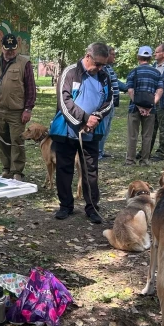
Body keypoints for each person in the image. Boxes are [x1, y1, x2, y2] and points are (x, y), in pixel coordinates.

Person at [52, 42, 113, 223]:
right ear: (88, 57)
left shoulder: (104, 76)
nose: (100, 68)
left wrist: (95, 118)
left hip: (91, 132)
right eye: (98, 64)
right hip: (67, 131)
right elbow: (65, 101)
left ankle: (92, 207)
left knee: (90, 170)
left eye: (104, 65)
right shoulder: (70, 72)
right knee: (64, 169)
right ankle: (65, 206)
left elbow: (109, 101)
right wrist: (83, 119)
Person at [0, 33, 36, 180]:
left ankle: (17, 171)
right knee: (2, 141)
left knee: (17, 141)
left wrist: (28, 109)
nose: (10, 52)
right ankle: (7, 169)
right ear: (2, 47)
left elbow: (31, 88)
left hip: (17, 111)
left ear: (16, 48)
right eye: (7, 49)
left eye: (13, 50)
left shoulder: (24, 63)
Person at [125, 46, 163, 166]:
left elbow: (130, 90)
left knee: (132, 135)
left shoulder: (133, 72)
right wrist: (151, 105)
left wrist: (138, 105)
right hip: (150, 110)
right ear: (150, 58)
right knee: (147, 136)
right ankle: (144, 160)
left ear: (138, 57)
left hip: (134, 108)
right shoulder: (157, 73)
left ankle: (130, 160)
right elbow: (160, 91)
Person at [99, 46, 120, 160]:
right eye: (113, 54)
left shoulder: (109, 68)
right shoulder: (103, 68)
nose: (114, 57)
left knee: (107, 129)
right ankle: (98, 152)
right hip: (106, 103)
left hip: (112, 103)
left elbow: (116, 82)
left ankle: (101, 150)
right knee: (103, 128)